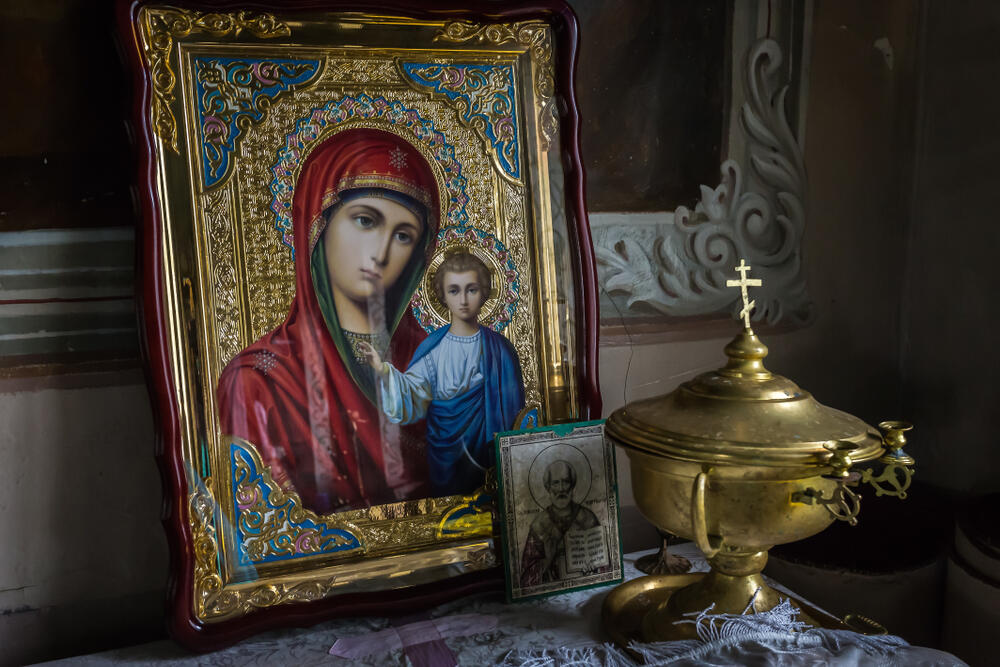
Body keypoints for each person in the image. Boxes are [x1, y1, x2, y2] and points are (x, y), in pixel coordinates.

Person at [217, 128, 440, 514]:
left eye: (404, 236)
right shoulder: (260, 382)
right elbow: (270, 527)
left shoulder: (437, 361)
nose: (381, 252)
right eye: (366, 220)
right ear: (317, 224)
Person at [358, 251, 525, 496]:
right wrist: (381, 369)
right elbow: (411, 394)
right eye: (454, 291)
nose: (463, 300)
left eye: (471, 289)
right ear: (443, 296)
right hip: (446, 459)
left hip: (490, 457)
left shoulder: (501, 350)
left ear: (484, 292)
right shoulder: (433, 349)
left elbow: (515, 415)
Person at [519, 460, 602, 587]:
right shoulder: (539, 524)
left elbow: (603, 562)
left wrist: (594, 565)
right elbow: (526, 577)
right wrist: (548, 560)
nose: (561, 488)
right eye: (556, 483)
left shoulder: (588, 518)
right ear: (548, 487)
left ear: (572, 486)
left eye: (566, 482)